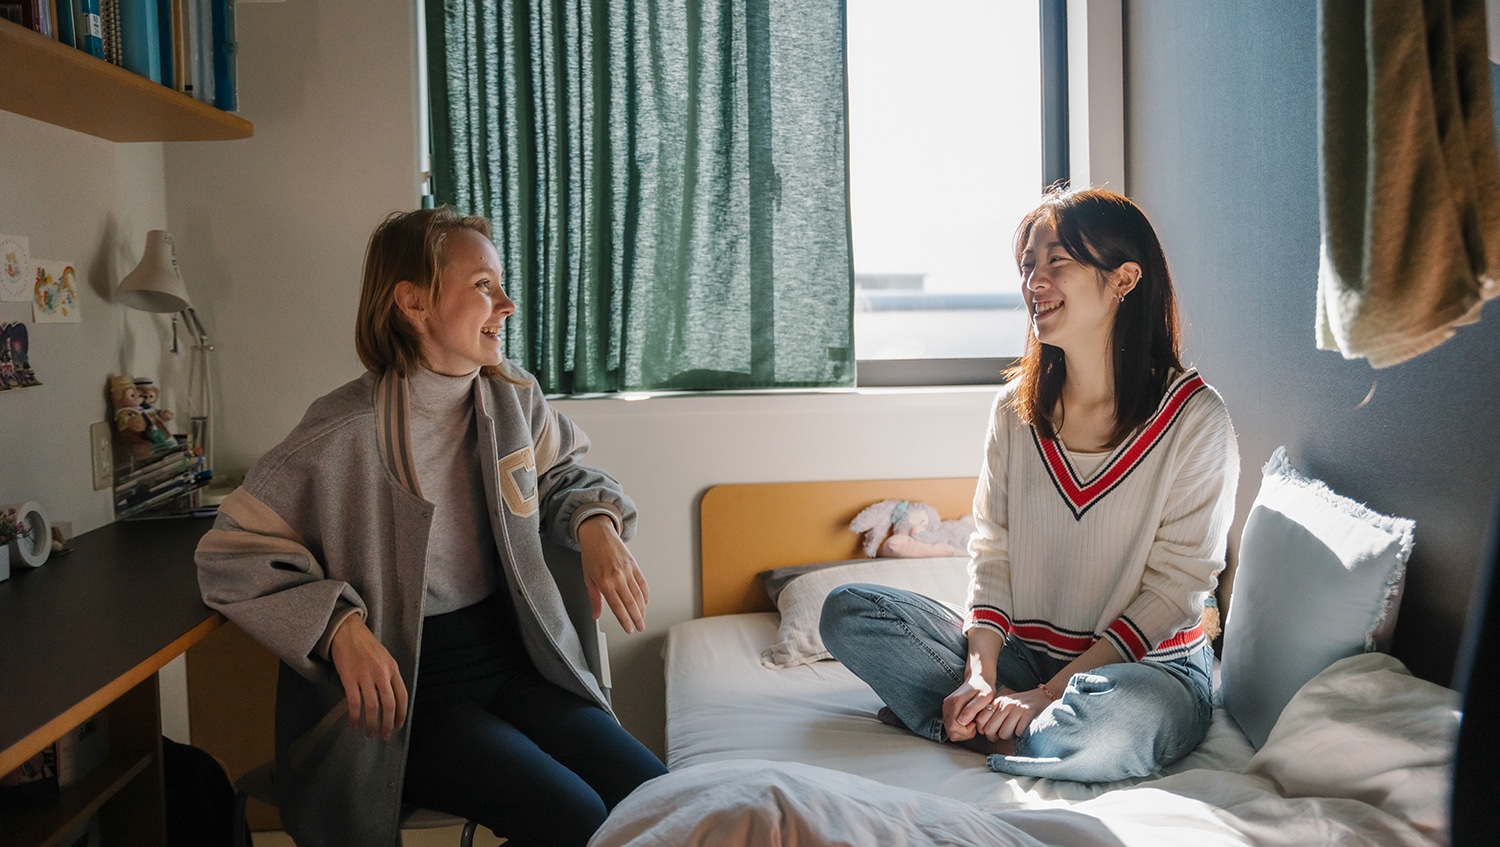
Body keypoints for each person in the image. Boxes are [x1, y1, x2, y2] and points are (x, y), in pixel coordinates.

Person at [196, 207, 667, 847]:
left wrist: (597, 527)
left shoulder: (512, 398)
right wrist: (340, 627)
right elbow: (228, 554)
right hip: (414, 695)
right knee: (574, 816)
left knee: (658, 797)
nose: (506, 304)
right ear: (412, 303)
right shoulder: (341, 434)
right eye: (482, 286)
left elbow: (562, 477)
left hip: (514, 660)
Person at [820, 187, 1239, 784]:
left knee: (1101, 728)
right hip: (1024, 654)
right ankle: (1002, 719)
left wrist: (1047, 694)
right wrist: (980, 675)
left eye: (1057, 262)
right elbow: (992, 552)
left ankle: (984, 725)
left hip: (1147, 672)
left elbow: (1176, 591)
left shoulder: (1197, 419)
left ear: (1123, 279)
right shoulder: (1014, 412)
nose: (1033, 281)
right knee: (848, 612)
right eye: (1027, 266)